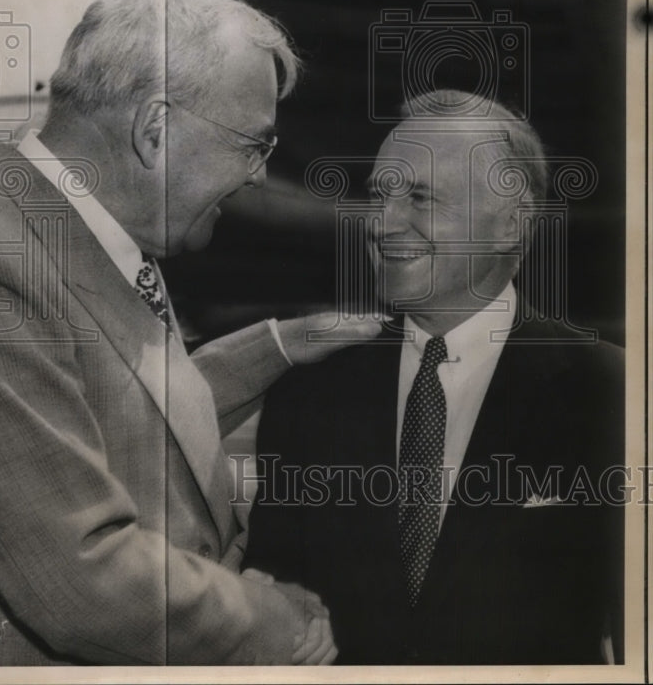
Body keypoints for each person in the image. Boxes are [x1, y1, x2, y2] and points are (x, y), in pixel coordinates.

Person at [0, 0, 380, 666]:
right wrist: (273, 616)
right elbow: (83, 577)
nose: (258, 176)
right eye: (253, 144)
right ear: (156, 130)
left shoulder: (72, 222)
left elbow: (109, 407)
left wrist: (278, 346)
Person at [245, 89, 624, 665]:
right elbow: (275, 576)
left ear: (511, 226)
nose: (383, 223)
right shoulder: (311, 389)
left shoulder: (612, 393)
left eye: (421, 198)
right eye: (380, 195)